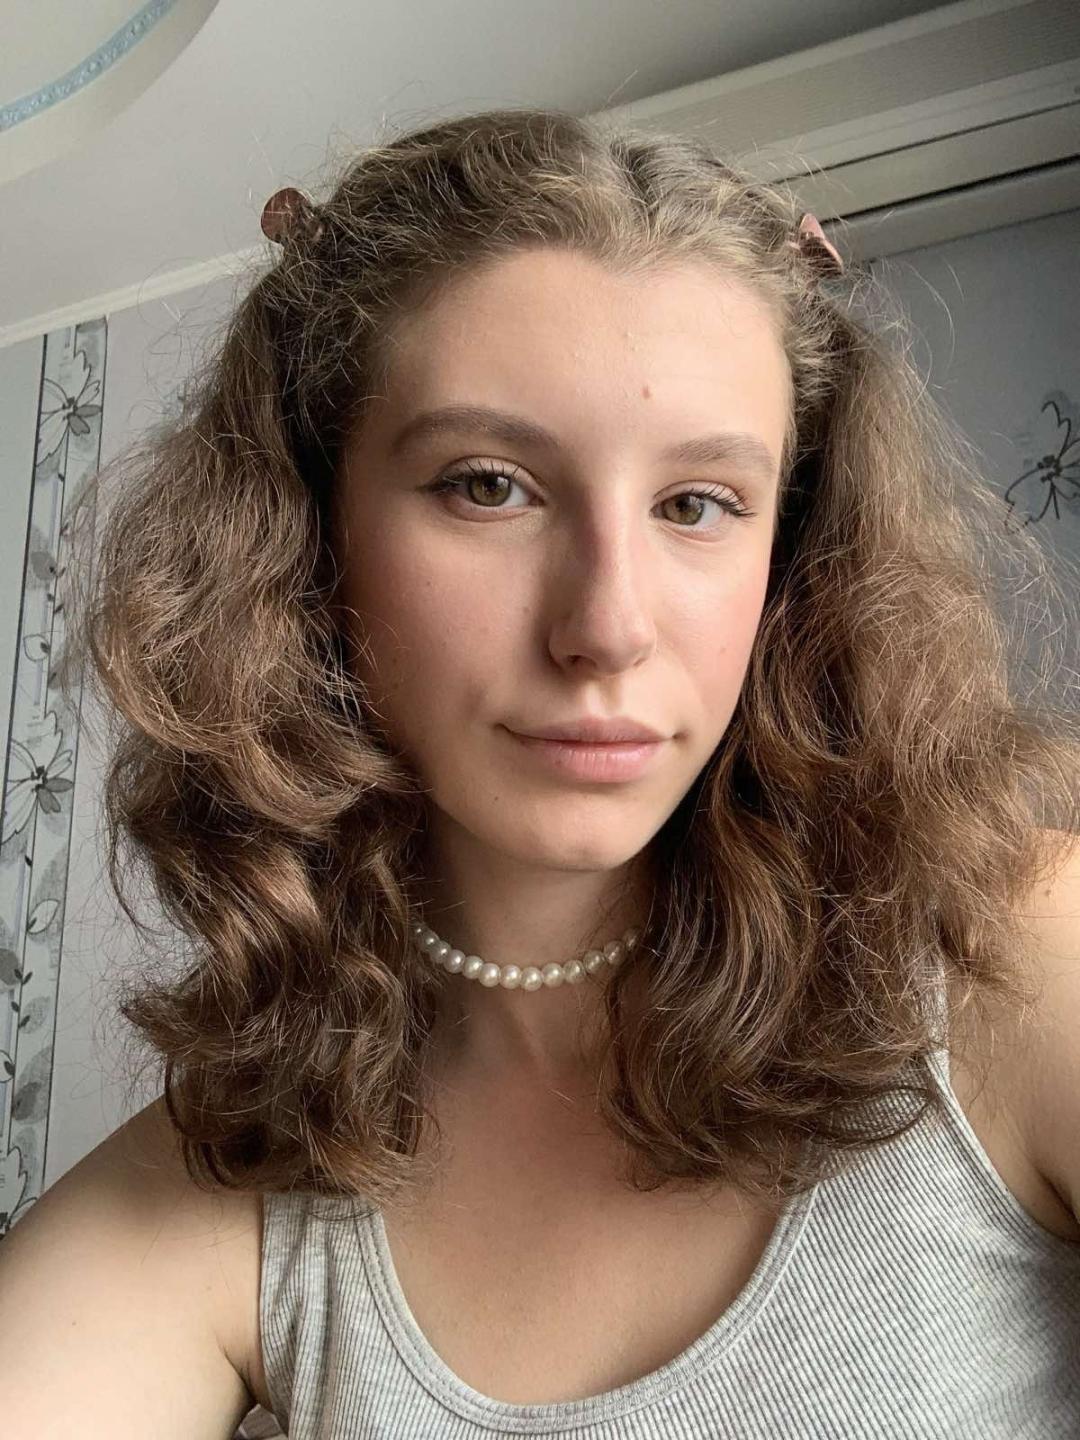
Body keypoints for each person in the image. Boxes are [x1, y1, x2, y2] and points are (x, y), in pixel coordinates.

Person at [3, 106, 1080, 1440]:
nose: (608, 627)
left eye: (698, 504)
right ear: (307, 536)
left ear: (791, 556)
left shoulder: (1018, 960)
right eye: (489, 487)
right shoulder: (239, 1185)